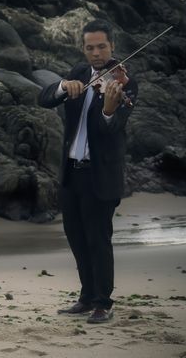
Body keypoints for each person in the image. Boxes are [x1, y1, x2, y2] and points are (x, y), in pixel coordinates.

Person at [38, 19, 138, 324]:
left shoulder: (125, 83)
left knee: (98, 239)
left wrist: (108, 108)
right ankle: (85, 297)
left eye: (102, 47)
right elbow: (43, 99)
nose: (96, 53)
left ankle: (103, 303)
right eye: (90, 47)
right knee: (76, 237)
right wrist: (61, 87)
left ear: (112, 47)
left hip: (100, 175)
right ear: (84, 49)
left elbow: (111, 128)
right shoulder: (79, 73)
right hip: (71, 172)